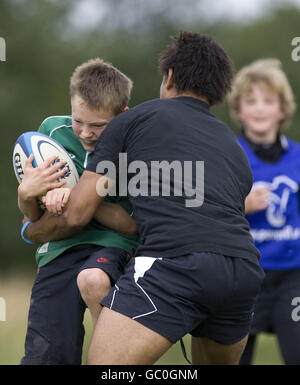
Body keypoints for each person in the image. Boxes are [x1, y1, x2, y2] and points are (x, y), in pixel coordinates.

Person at [24, 31, 264, 365]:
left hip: (175, 262)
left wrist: (32, 230)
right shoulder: (233, 147)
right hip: (243, 271)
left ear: (169, 77)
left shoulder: (133, 121)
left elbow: (77, 214)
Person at [17, 58, 139, 365]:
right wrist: (26, 194)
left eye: (98, 125)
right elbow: (32, 219)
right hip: (58, 249)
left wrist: (78, 194)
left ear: (122, 115)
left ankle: (111, 359)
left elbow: (131, 226)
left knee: (94, 279)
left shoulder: (136, 148)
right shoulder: (51, 133)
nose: (85, 133)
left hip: (111, 245)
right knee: (44, 355)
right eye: (78, 121)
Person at [228, 58, 300, 365]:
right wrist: (241, 205)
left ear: (282, 109)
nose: (259, 108)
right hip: (243, 276)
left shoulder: (298, 156)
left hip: (292, 276)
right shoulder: (228, 155)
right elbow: (202, 213)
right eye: (250, 101)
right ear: (238, 110)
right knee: (233, 359)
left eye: (268, 101)